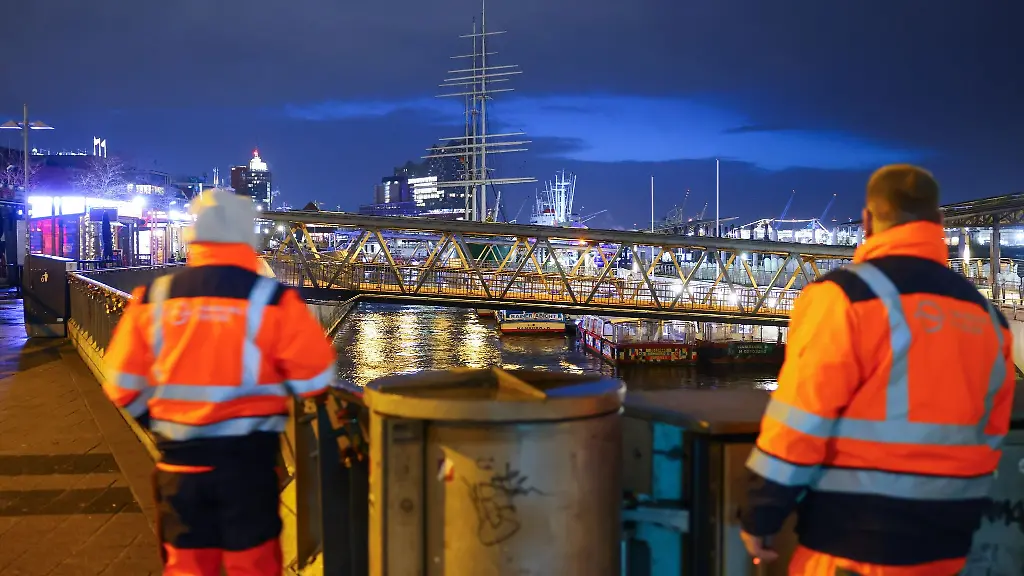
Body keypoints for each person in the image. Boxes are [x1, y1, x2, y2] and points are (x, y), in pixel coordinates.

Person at [740, 164, 1015, 575]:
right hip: (948, 545)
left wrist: (761, 513)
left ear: (867, 221)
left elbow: (800, 420)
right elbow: (993, 432)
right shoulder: (986, 318)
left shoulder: (844, 298)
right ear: (939, 222)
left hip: (853, 543)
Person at [101, 188, 338, 575]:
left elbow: (120, 383)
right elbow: (316, 376)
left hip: (180, 469)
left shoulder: (153, 299)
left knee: (189, 567)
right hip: (249, 469)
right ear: (245, 237)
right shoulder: (272, 300)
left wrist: (159, 424)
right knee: (253, 565)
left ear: (193, 237)